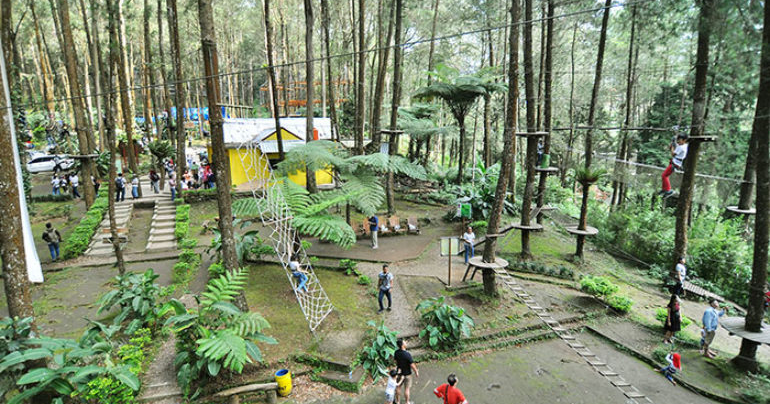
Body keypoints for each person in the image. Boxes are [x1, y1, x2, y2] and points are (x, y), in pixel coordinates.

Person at [660, 133, 689, 198]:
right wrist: (673, 144)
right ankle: (664, 189)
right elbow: (677, 148)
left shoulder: (681, 147)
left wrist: (672, 147)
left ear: (684, 140)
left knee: (664, 175)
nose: (678, 141)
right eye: (678, 139)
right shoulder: (684, 145)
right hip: (675, 162)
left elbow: (673, 154)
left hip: (675, 163)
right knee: (665, 175)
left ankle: (668, 190)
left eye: (680, 140)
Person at [393, 339, 418, 404]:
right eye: (405, 342)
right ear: (402, 345)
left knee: (398, 387)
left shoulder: (396, 352)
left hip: (399, 373)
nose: (406, 343)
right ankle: (407, 402)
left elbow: (395, 361)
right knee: (407, 389)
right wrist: (416, 371)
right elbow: (412, 365)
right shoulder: (407, 354)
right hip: (407, 374)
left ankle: (398, 401)